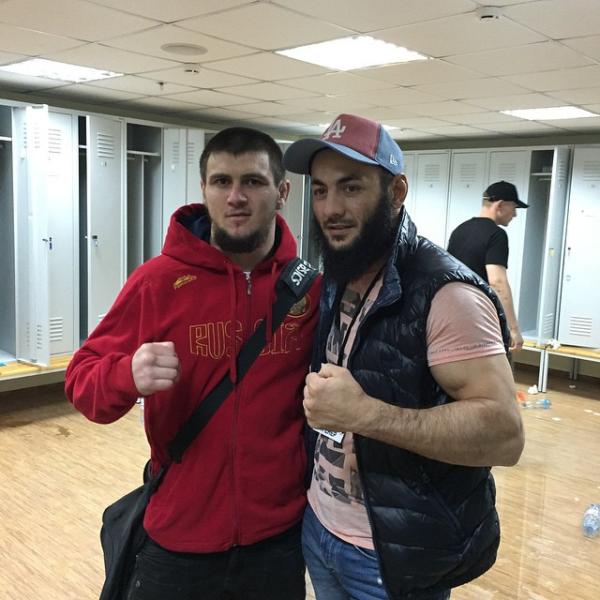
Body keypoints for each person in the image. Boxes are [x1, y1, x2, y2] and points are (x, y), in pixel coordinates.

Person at [65, 126, 321, 600]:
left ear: (282, 192)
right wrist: (125, 375)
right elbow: (82, 381)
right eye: (222, 182)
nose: (236, 197)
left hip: (277, 540)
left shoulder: (308, 289)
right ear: (204, 190)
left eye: (253, 181)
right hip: (178, 538)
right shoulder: (158, 281)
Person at [283, 114, 525, 600]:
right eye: (321, 190)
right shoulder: (337, 271)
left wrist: (366, 415)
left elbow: (504, 435)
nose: (331, 208)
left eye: (351, 187)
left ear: (396, 192)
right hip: (321, 528)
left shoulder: (447, 292)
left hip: (392, 556)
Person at [447, 181, 529, 351]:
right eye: (514, 208)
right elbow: (497, 283)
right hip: (480, 318)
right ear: (500, 205)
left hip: (452, 314)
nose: (515, 214)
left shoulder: (459, 230)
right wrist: (513, 329)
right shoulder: (497, 235)